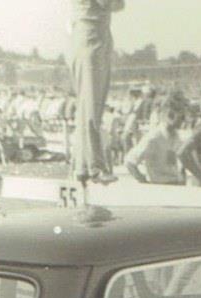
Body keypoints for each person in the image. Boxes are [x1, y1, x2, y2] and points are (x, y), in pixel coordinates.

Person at [70, 0, 124, 185]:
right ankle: (95, 167)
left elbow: (117, 5)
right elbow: (111, 3)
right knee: (91, 109)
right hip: (90, 36)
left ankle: (83, 166)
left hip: (97, 35)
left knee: (90, 109)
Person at [124, 95, 184, 184]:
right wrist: (143, 181)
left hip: (176, 183)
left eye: (182, 117)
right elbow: (130, 162)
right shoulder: (154, 137)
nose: (182, 120)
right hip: (160, 185)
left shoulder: (177, 136)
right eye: (179, 117)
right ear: (167, 115)